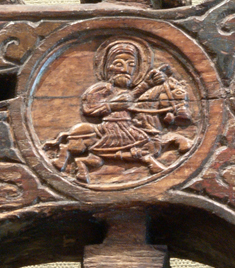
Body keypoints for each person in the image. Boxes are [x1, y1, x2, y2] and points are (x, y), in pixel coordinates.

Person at [43, 39, 194, 183]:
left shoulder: (131, 90)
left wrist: (152, 82)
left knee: (143, 135)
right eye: (118, 63)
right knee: (140, 140)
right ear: (108, 67)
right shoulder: (102, 88)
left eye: (131, 64)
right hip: (112, 126)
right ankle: (148, 161)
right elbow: (89, 108)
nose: (125, 69)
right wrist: (112, 105)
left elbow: (135, 99)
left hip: (127, 123)